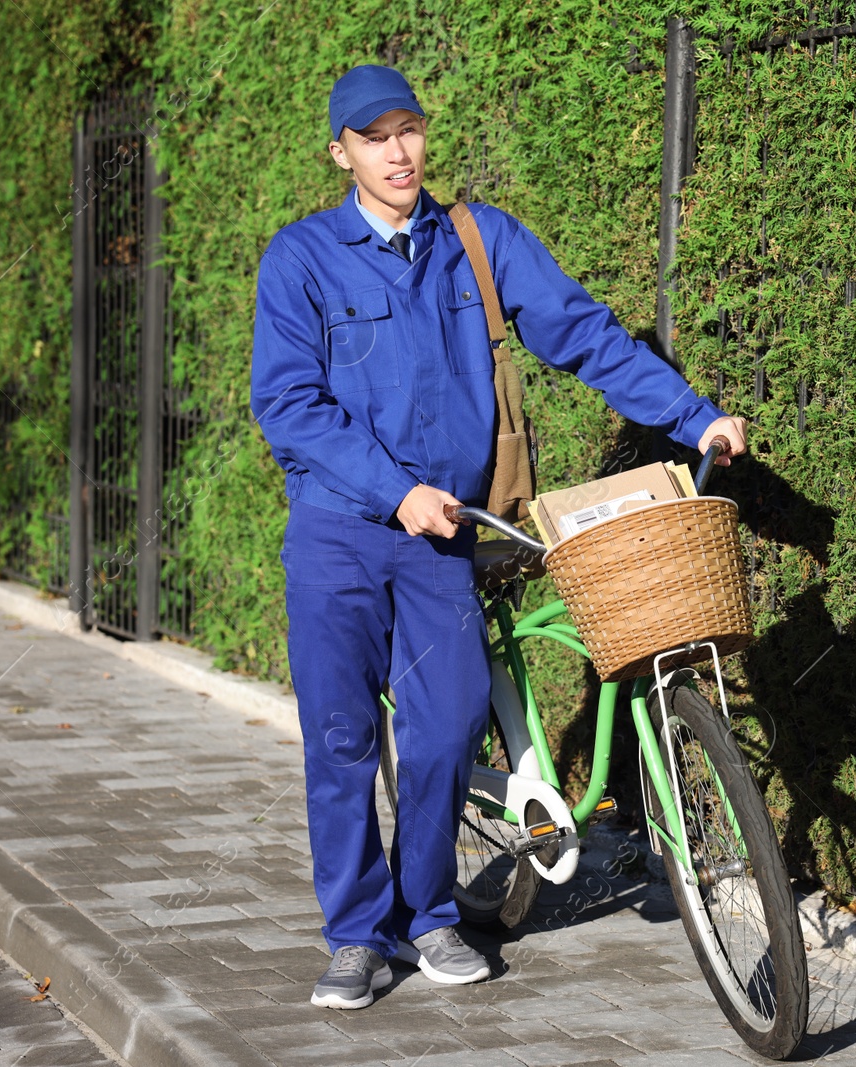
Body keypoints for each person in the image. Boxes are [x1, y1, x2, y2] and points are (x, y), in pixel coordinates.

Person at [249, 63, 748, 1011]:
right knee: (344, 739)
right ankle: (358, 934)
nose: (398, 152)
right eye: (374, 136)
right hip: (339, 537)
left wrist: (694, 416)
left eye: (409, 130)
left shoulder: (474, 242)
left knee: (443, 729)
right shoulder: (302, 258)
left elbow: (584, 334)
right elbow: (287, 405)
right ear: (341, 154)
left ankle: (430, 912)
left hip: (445, 542)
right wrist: (396, 491)